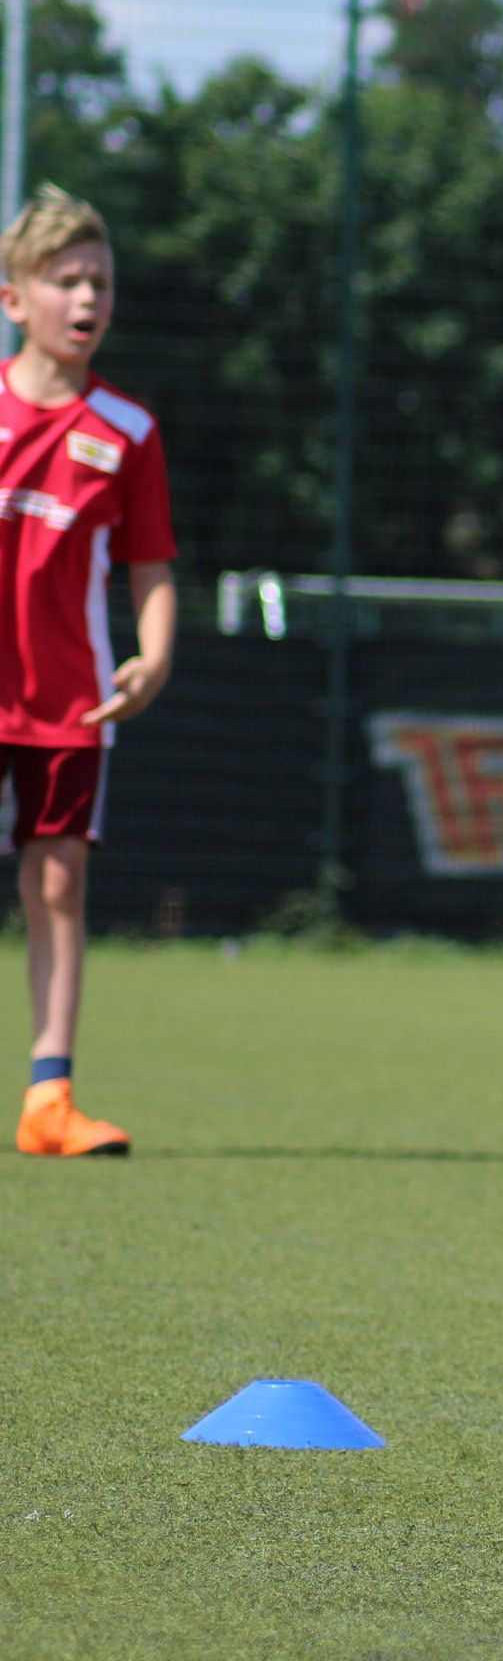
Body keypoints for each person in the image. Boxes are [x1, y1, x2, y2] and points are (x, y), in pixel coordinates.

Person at [4, 187, 176, 1160]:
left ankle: (49, 1095)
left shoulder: (128, 431)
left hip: (70, 698)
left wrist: (155, 653)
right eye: (64, 279)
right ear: (13, 297)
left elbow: (152, 567)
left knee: (58, 882)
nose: (85, 297)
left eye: (99, 282)